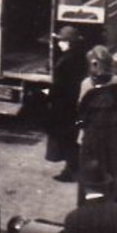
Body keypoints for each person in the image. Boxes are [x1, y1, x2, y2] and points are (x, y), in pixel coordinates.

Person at [77, 45, 117, 193]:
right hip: (113, 135)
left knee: (92, 170)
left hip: (93, 134)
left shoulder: (87, 84)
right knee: (115, 167)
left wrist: (81, 131)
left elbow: (81, 111)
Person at [45, 26, 88, 182]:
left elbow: (59, 87)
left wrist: (49, 98)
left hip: (64, 107)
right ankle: (72, 168)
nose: (59, 44)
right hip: (74, 105)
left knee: (67, 140)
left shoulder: (66, 61)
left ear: (69, 43)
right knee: (72, 138)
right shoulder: (80, 57)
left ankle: (71, 170)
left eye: (62, 41)